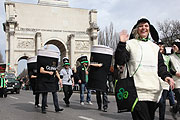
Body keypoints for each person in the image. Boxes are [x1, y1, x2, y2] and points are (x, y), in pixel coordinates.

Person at [115, 17, 175, 120]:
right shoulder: (130, 44)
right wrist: (121, 44)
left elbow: (161, 66)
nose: (144, 28)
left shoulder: (154, 47)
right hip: (137, 92)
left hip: (153, 92)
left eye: (146, 26)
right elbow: (120, 60)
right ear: (136, 29)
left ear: (149, 29)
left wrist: (167, 77)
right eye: (141, 26)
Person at [156, 42, 176, 120]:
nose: (160, 47)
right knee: (157, 101)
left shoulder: (168, 57)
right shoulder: (153, 56)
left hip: (165, 80)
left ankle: (162, 118)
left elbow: (171, 67)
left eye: (162, 46)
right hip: (155, 80)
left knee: (162, 101)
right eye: (159, 46)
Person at [169, 40, 180, 119]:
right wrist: (175, 73)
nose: (173, 48)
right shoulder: (171, 57)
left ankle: (174, 109)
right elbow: (168, 68)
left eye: (174, 46)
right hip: (177, 81)